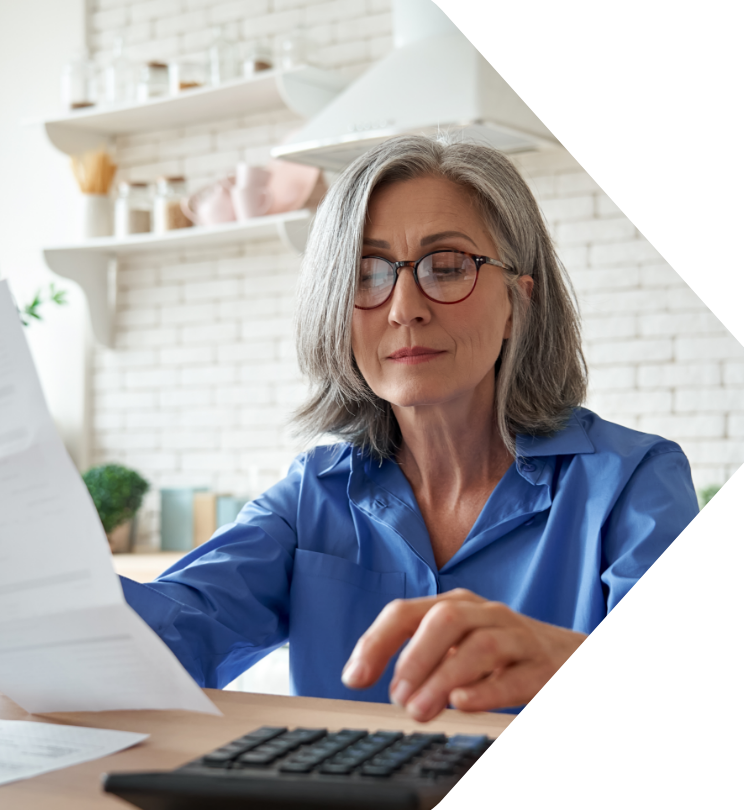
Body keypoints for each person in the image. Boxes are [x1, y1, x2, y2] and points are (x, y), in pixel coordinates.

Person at [120, 135, 698, 721]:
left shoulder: (633, 482)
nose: (404, 309)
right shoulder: (310, 496)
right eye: (365, 274)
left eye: (447, 268)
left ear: (517, 304)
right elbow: (158, 640)